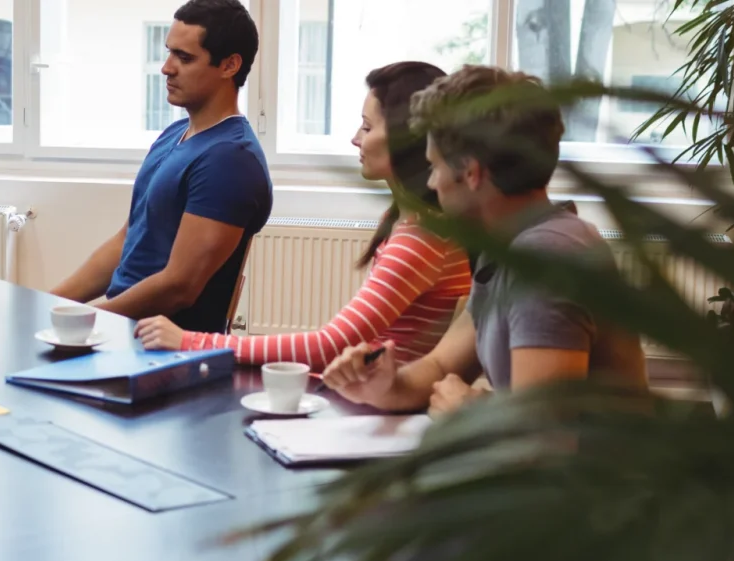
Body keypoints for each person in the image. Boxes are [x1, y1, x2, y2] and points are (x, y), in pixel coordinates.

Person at [320, 65, 648, 415]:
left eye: (435, 167)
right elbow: (440, 367)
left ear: (472, 173)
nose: (431, 183)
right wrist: (385, 386)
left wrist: (468, 415)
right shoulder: (507, 247)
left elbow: (545, 439)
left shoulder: (546, 260)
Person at [135, 62, 473, 369]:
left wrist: (192, 342)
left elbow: (331, 344)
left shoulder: (421, 239)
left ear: (407, 140)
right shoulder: (410, 223)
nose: (356, 139)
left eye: (367, 128)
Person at [49, 0, 273, 334]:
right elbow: (127, 241)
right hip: (124, 331)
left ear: (229, 66)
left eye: (184, 58)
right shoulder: (174, 135)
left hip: (164, 351)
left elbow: (179, 286)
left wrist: (92, 323)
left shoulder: (230, 160)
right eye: (169, 53)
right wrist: (45, 304)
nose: (166, 68)